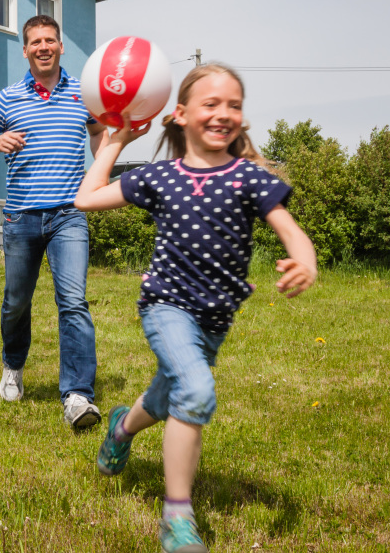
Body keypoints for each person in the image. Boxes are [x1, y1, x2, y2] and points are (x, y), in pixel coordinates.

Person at [75, 63, 317, 552]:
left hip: (215, 319)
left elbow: (289, 228)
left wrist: (304, 258)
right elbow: (86, 198)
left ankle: (122, 428)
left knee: (170, 395)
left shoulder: (250, 178)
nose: (223, 113)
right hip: (166, 305)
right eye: (211, 103)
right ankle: (177, 517)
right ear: (181, 115)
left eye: (234, 105)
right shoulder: (160, 176)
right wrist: (116, 140)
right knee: (198, 391)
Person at [0, 15, 108, 428]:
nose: (43, 46)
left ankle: (78, 395)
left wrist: (111, 156)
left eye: (50, 40)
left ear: (61, 47)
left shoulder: (84, 95)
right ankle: (13, 364)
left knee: (74, 302)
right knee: (17, 301)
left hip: (69, 215)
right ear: (25, 50)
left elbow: (100, 138)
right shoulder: (8, 98)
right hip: (21, 217)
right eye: (35, 41)